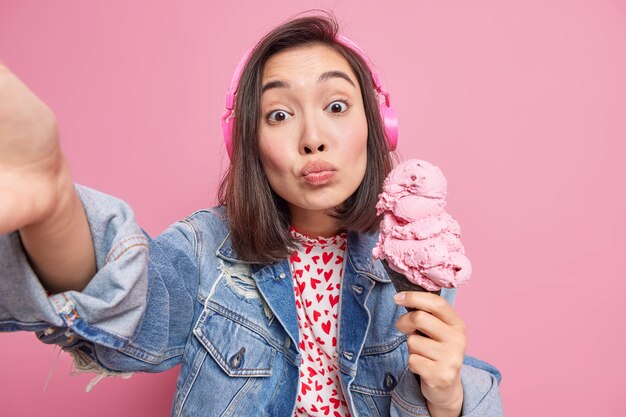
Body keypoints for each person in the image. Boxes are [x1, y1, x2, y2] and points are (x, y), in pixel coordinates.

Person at [0, 12, 502, 417]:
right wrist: (54, 205)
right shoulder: (204, 251)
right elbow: (127, 303)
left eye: (337, 106)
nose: (312, 137)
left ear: (378, 127)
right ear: (248, 144)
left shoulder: (404, 261)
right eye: (279, 114)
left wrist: (447, 400)